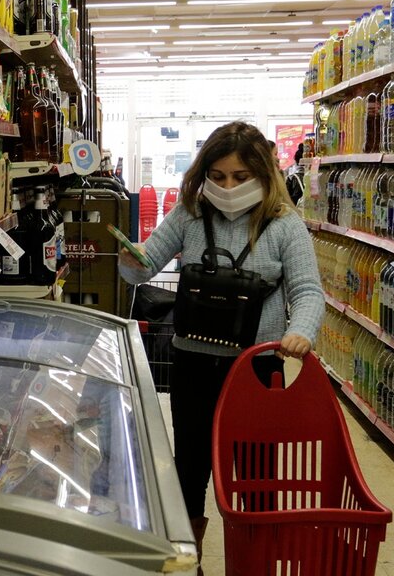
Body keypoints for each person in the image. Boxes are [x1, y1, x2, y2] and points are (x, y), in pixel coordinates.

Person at [118, 122, 324, 572]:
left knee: (255, 475)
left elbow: (308, 291)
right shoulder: (190, 214)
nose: (227, 186)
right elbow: (145, 266)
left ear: (263, 175)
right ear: (203, 174)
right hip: (193, 362)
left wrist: (302, 332)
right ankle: (186, 565)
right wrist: (131, 261)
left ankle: (251, 561)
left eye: (240, 176)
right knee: (188, 470)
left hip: (256, 368)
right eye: (217, 176)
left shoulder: (285, 225)